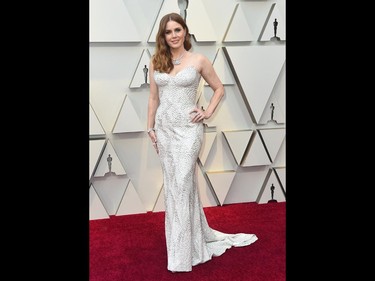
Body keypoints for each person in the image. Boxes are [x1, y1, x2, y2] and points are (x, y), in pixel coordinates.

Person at [147, 12, 258, 273]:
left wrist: (207, 112)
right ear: (163, 36)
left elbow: (219, 88)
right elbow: (153, 98)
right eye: (168, 32)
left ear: (185, 31)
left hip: (189, 130)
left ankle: (184, 254)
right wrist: (149, 126)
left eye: (177, 30)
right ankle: (187, 243)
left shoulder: (199, 60)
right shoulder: (157, 61)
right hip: (164, 130)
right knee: (174, 187)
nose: (173, 35)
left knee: (183, 183)